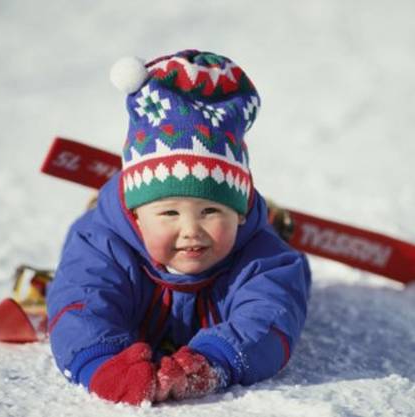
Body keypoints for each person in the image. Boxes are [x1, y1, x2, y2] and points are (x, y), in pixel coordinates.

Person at [47, 49, 312, 406]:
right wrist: (101, 362)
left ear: (240, 214)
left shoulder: (265, 258)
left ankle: (271, 215)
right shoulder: (99, 245)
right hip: (118, 234)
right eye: (169, 213)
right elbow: (82, 302)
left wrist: (214, 361)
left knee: (271, 245)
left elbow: (270, 316)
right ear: (136, 214)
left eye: (210, 211)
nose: (191, 230)